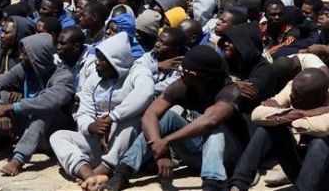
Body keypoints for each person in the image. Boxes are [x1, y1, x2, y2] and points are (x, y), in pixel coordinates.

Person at [96, 46, 244, 191]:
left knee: (214, 129)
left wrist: (167, 141)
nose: (180, 73)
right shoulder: (181, 86)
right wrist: (159, 149)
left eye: (183, 70)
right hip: (197, 154)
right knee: (168, 117)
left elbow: (210, 120)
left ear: (194, 74)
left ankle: (213, 184)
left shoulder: (229, 91)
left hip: (227, 157)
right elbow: (150, 115)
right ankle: (124, 171)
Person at [0, 33, 74, 176]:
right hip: (27, 129)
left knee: (45, 110)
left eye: (26, 54)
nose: (21, 57)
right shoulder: (23, 69)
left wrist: (10, 108)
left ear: (38, 56)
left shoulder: (63, 76)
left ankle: (19, 158)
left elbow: (47, 101)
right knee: (3, 96)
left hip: (52, 136)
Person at [51, 32, 155, 183]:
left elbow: (145, 93)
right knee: (58, 136)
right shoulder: (94, 78)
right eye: (97, 57)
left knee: (133, 119)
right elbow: (84, 111)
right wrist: (92, 126)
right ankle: (88, 174)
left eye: (102, 59)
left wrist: (113, 117)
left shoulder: (138, 71)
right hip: (98, 139)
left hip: (125, 141)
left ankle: (107, 168)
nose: (96, 63)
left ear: (115, 61)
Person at [230, 68, 329, 191]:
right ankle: (237, 186)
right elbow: (257, 114)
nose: (291, 96)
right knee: (267, 129)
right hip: (301, 172)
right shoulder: (296, 86)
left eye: (297, 95)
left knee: (320, 142)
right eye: (292, 92)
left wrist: (281, 116)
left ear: (316, 100)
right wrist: (305, 113)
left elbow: (323, 127)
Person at [219, 23, 276, 113]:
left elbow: (246, 94)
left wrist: (230, 85)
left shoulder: (264, 70)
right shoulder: (229, 61)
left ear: (244, 45)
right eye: (226, 40)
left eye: (232, 41)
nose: (226, 43)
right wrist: (233, 84)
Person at [133, 27, 186, 95]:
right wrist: (157, 66)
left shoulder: (180, 66)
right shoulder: (150, 56)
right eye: (158, 40)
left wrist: (144, 88)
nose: (157, 44)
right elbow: (133, 71)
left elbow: (168, 86)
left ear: (175, 49)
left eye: (163, 43)